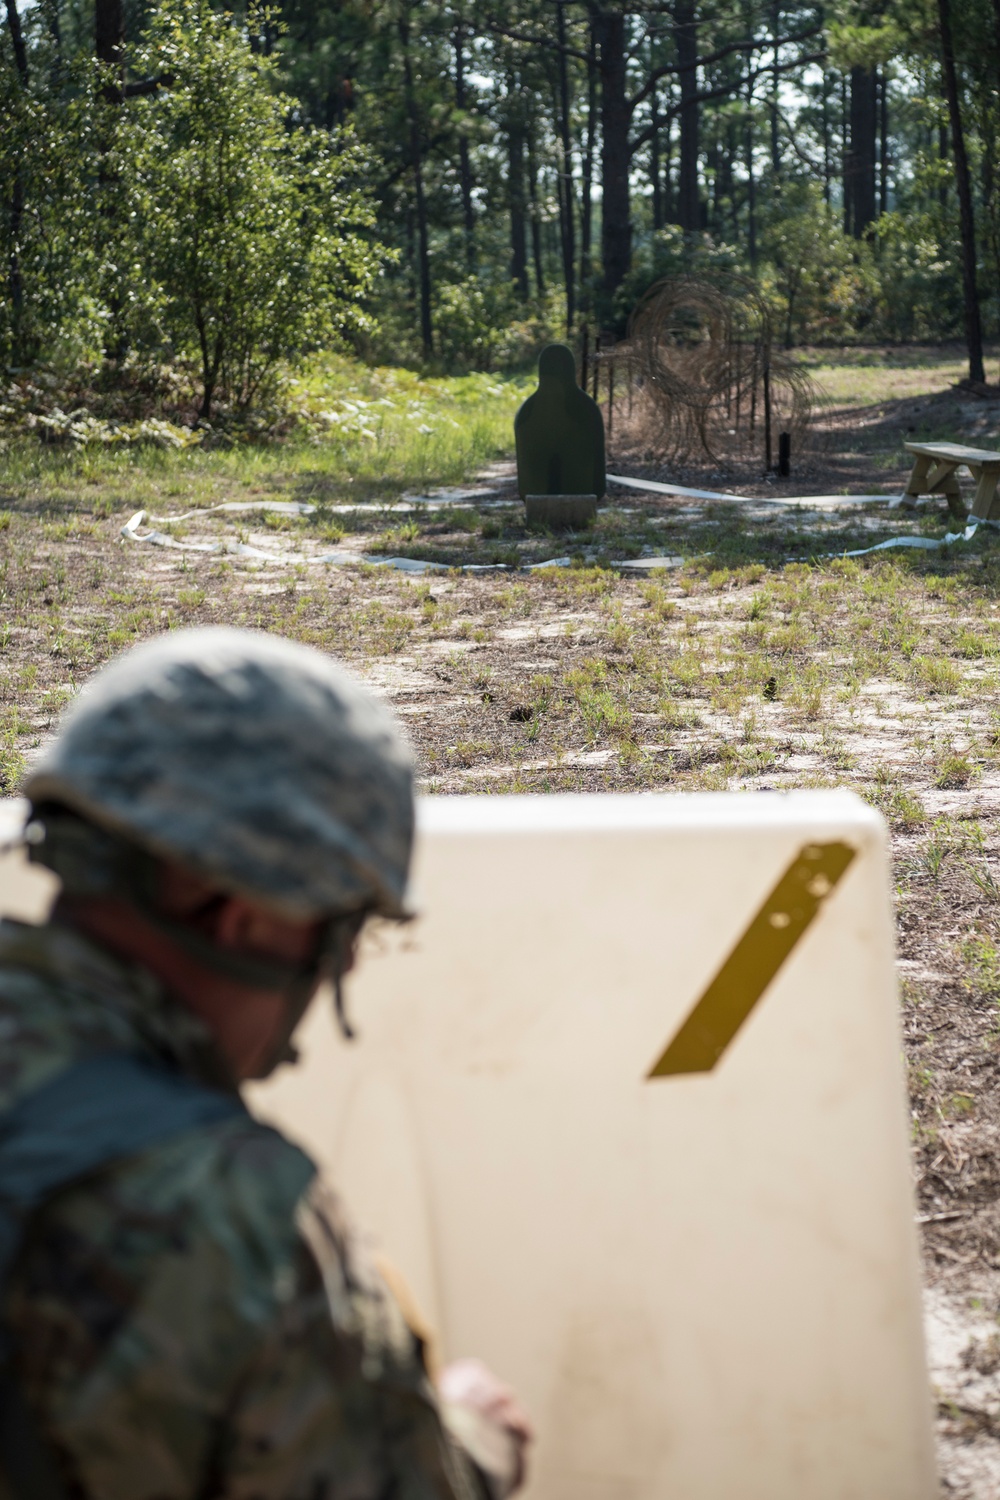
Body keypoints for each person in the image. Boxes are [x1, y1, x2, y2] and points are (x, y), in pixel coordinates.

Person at [0, 627, 531, 1500]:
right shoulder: (232, 1214)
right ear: (250, 919)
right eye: (341, 931)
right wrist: (472, 1444)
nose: (344, 969)